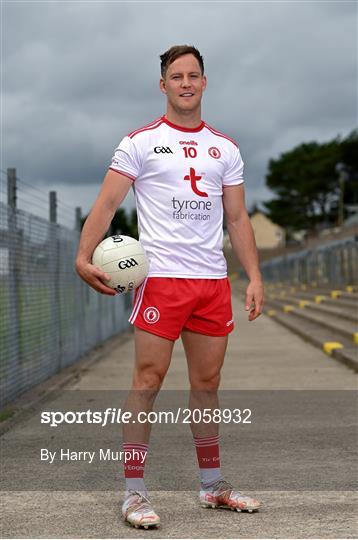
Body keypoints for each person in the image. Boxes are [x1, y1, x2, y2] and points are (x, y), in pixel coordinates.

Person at [75, 44, 264, 529]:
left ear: (204, 83)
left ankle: (212, 486)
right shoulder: (140, 142)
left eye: (193, 75)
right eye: (176, 75)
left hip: (211, 283)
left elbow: (238, 218)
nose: (185, 83)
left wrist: (254, 277)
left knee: (207, 385)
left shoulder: (226, 148)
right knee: (148, 382)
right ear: (163, 85)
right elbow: (106, 203)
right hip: (161, 282)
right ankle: (134, 493)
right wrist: (82, 255)